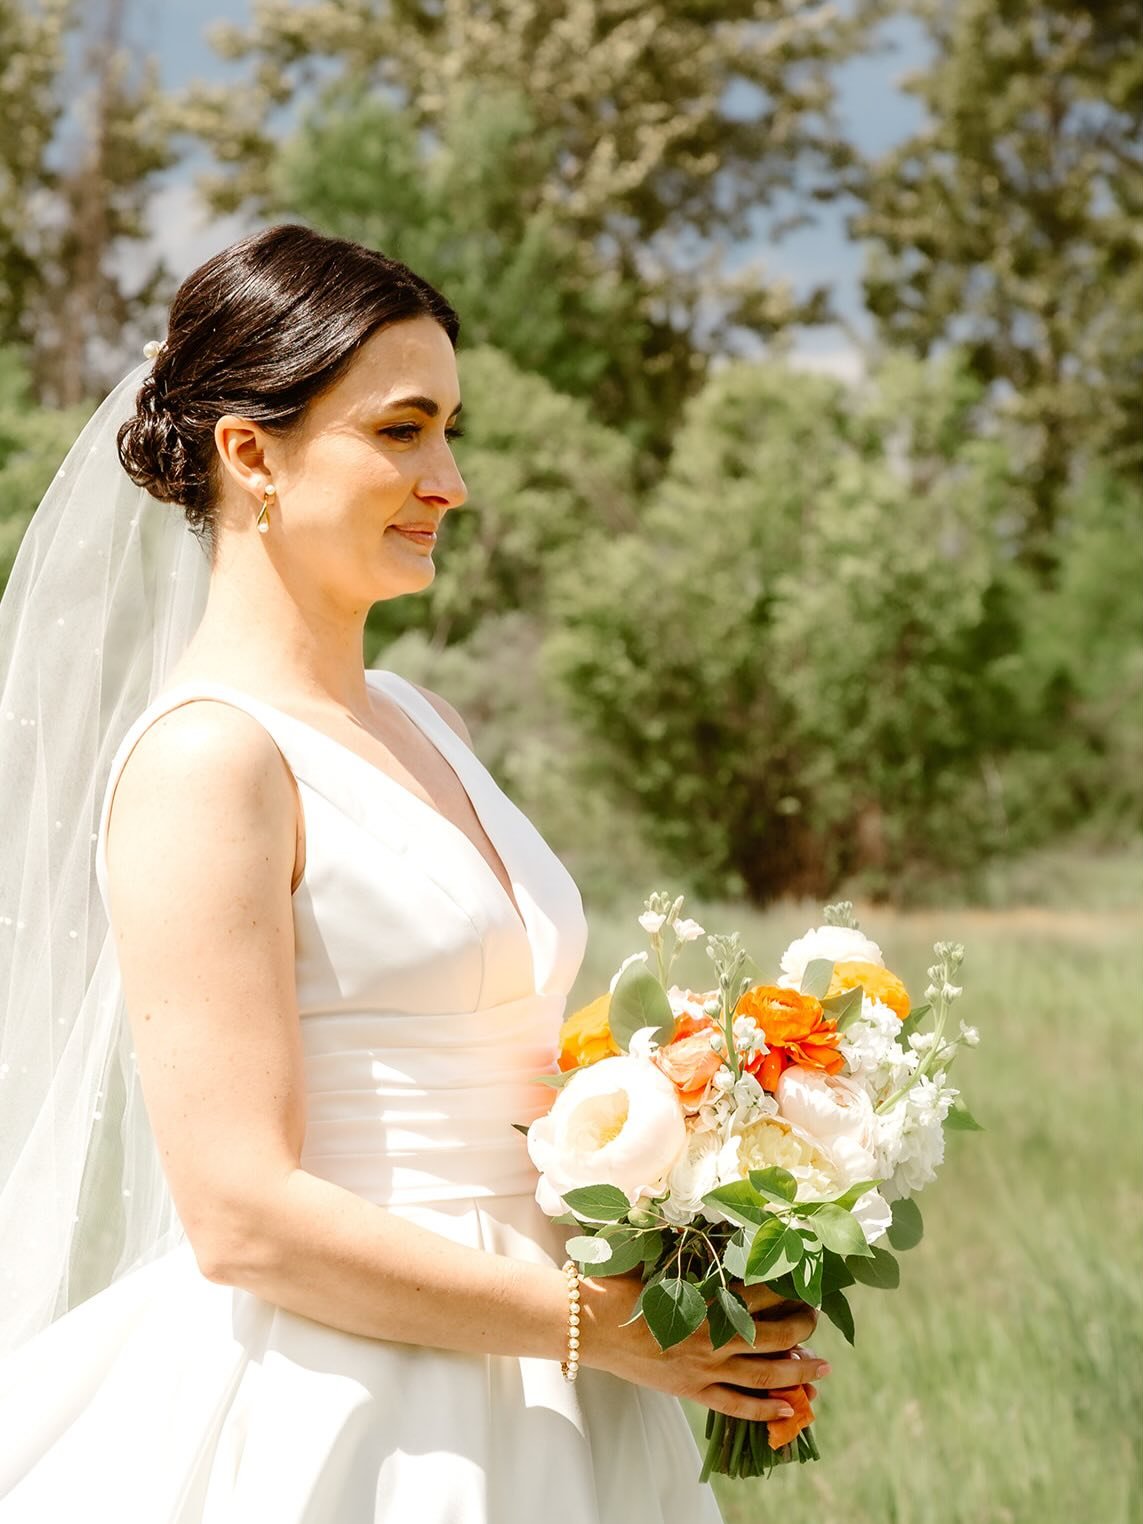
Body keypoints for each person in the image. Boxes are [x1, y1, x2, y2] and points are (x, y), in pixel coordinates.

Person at [0, 223, 826, 1521]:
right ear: (248, 452)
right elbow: (240, 1215)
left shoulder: (424, 717)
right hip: (363, 1404)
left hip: (571, 1379)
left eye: (451, 429)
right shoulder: (209, 765)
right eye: (401, 430)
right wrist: (585, 1323)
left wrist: (705, 1182)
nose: (449, 477)